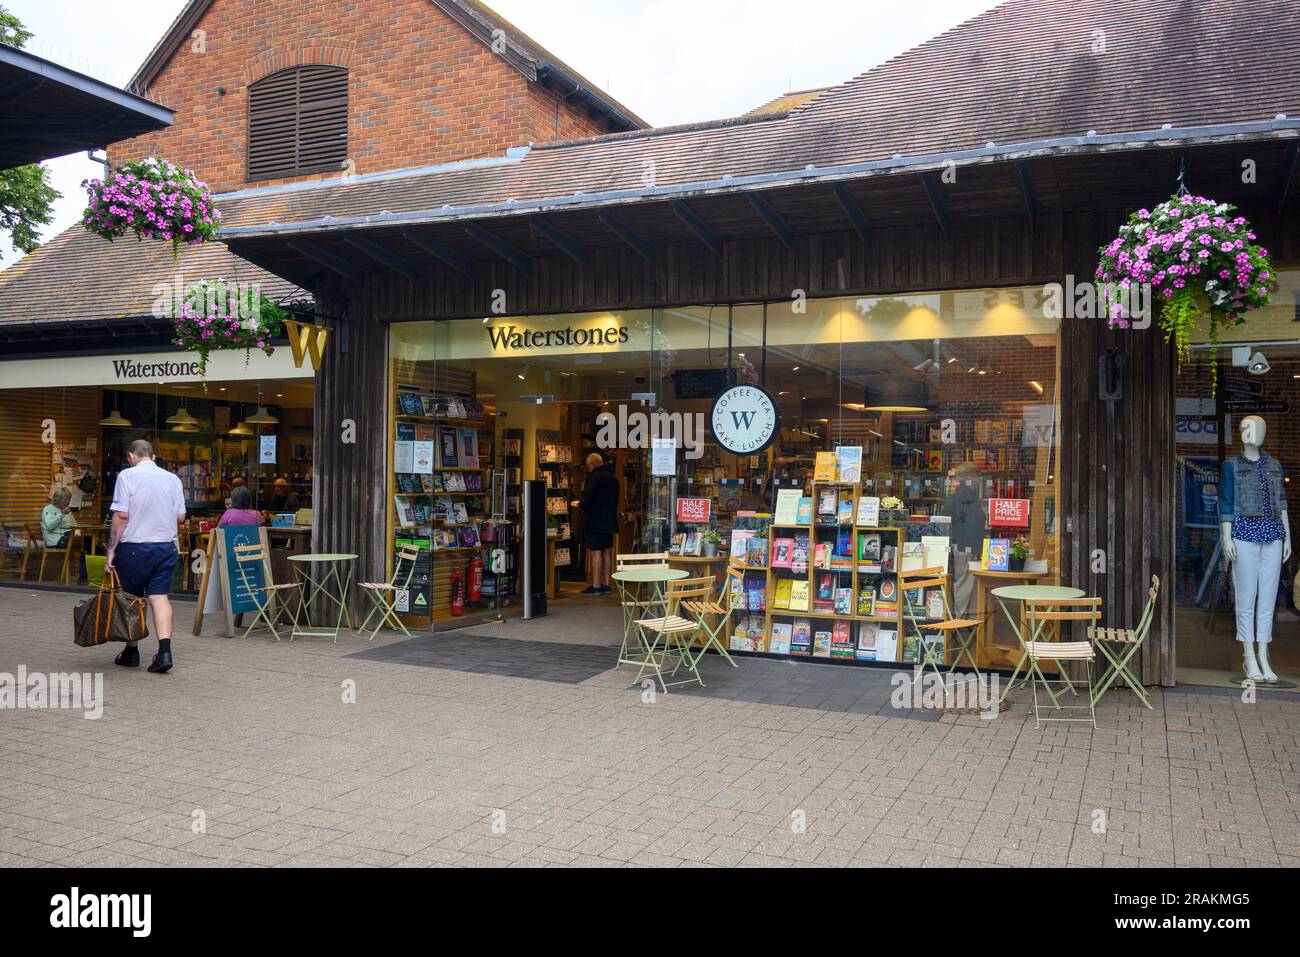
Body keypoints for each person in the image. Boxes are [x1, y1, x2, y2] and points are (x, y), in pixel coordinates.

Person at [105, 439, 186, 674]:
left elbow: (121, 516)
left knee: (132, 599)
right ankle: (164, 653)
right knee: (159, 598)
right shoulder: (173, 479)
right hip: (165, 547)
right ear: (153, 456)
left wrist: (111, 550)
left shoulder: (127, 476)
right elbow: (180, 518)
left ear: (132, 456)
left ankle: (132, 652)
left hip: (134, 547)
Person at [576, 452, 619, 596]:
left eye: (588, 466)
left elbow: (587, 500)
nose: (588, 469)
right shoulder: (613, 478)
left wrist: (579, 504)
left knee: (596, 553)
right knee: (607, 551)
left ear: (592, 465)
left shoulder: (594, 478)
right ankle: (606, 584)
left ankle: (595, 585)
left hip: (595, 521)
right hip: (609, 521)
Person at [41, 487, 87, 582]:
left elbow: (75, 525)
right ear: (58, 500)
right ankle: (82, 576)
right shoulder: (48, 509)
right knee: (84, 544)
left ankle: (85, 576)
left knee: (89, 543)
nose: (68, 502)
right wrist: (61, 514)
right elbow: (49, 526)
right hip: (56, 540)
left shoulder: (67, 511)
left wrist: (77, 534)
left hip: (69, 536)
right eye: (66, 499)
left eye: (69, 499)